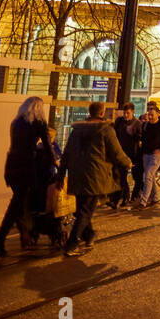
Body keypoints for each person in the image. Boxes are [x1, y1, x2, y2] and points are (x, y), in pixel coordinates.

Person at [54, 101, 131, 256]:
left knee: (82, 209)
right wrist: (128, 163)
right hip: (95, 176)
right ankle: (72, 244)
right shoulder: (106, 130)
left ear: (90, 112)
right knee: (85, 211)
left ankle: (89, 236)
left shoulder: (76, 131)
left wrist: (61, 175)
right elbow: (116, 152)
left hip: (77, 174)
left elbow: (67, 153)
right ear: (102, 113)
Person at [0, 96, 53, 257]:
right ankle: (0, 241)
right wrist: (54, 162)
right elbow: (47, 145)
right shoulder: (38, 123)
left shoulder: (16, 122)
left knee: (19, 202)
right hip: (26, 167)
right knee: (16, 205)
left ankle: (23, 235)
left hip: (11, 165)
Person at [28, 122, 66, 249]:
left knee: (38, 207)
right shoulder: (52, 148)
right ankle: (54, 234)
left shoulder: (38, 148)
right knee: (51, 208)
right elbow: (57, 162)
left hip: (38, 181)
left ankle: (35, 231)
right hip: (48, 180)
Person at [134, 107, 160, 209]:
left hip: (156, 155)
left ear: (157, 115)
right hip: (146, 153)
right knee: (149, 176)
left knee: (147, 175)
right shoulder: (145, 125)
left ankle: (144, 201)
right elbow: (142, 137)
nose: (150, 117)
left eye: (152, 115)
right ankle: (155, 197)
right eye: (149, 115)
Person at [110, 103, 139, 209]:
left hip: (129, 154)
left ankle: (118, 199)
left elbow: (140, 139)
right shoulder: (119, 121)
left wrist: (133, 134)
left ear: (133, 112)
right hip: (118, 152)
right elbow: (113, 133)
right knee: (117, 175)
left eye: (128, 113)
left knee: (122, 175)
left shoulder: (137, 124)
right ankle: (123, 197)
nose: (126, 115)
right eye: (124, 113)